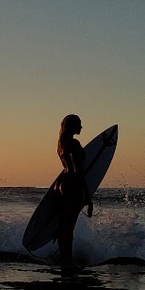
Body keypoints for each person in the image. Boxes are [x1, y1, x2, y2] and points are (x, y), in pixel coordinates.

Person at [54, 114, 93, 270]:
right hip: (72, 185)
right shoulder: (74, 144)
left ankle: (64, 260)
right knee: (69, 227)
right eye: (79, 124)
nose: (81, 127)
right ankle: (68, 262)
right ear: (72, 126)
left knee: (62, 226)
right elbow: (79, 171)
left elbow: (67, 167)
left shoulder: (60, 144)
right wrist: (88, 198)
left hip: (61, 184)